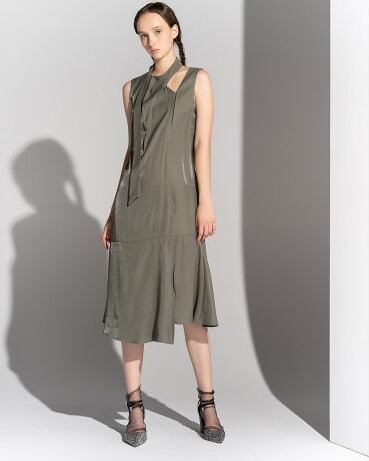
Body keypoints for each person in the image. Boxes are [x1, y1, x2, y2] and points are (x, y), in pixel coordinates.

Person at [101, 2, 225, 447]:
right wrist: (113, 212)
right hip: (134, 209)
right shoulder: (130, 90)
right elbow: (132, 153)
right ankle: (135, 409)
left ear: (174, 30)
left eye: (156, 30)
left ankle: (207, 404)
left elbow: (202, 145)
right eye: (142, 34)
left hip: (180, 206)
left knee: (192, 309)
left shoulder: (198, 80)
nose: (149, 41)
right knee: (131, 310)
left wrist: (205, 201)